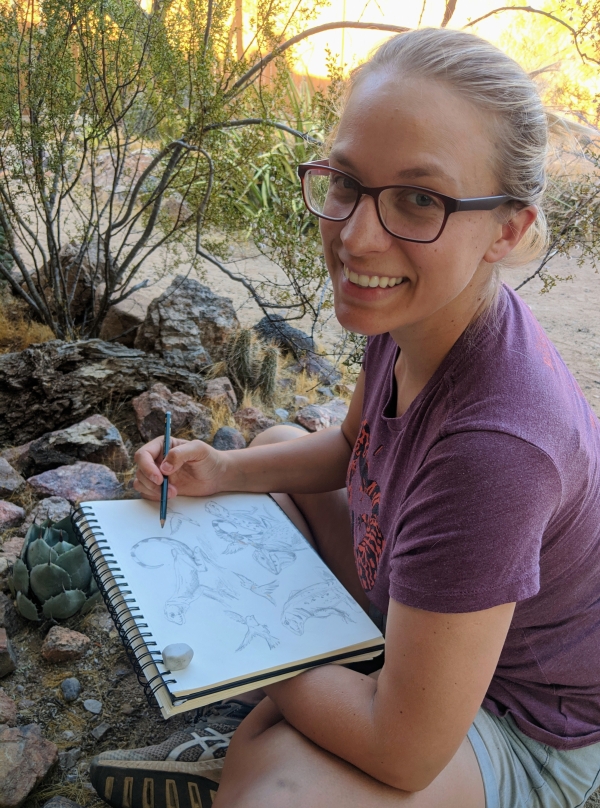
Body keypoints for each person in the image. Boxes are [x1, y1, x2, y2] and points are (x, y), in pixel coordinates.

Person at [91, 27, 600, 808]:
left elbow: (404, 755)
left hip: (527, 722)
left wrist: (244, 629)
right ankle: (298, 713)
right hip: (426, 619)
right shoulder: (416, 317)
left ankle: (255, 743)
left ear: (509, 229)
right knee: (270, 448)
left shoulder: (497, 448)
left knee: (271, 786)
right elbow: (348, 449)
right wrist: (221, 470)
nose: (357, 235)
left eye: (419, 199)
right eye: (347, 182)